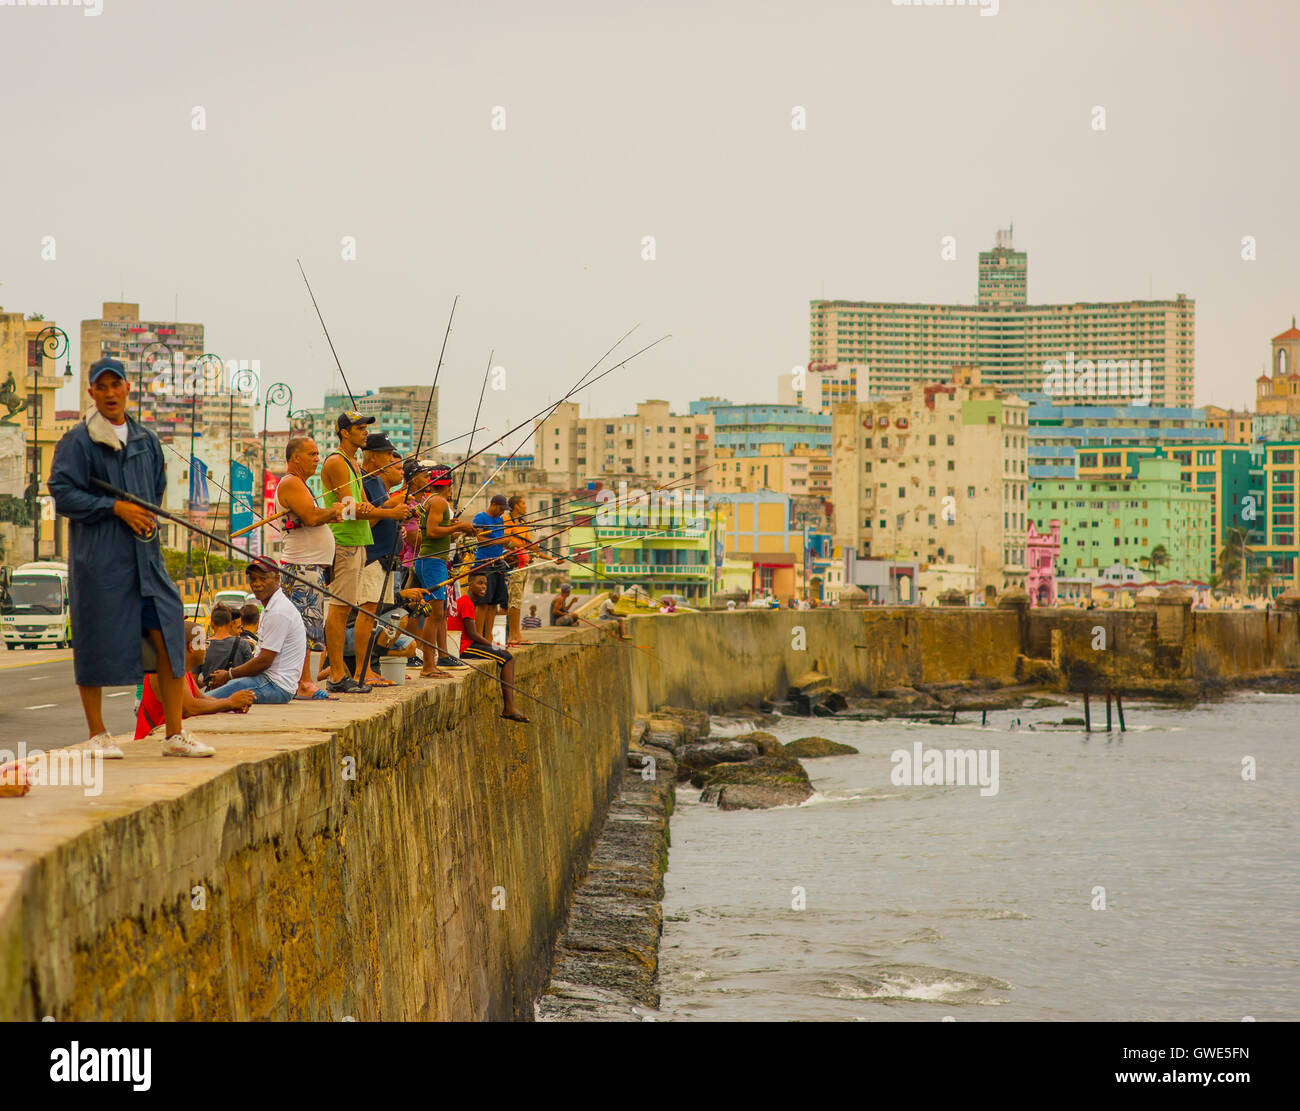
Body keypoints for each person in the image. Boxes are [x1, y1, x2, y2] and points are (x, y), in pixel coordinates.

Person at [48, 356, 203, 758]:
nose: (111, 393)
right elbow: (63, 493)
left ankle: (174, 734)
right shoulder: (78, 441)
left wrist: (146, 517)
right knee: (95, 641)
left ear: (127, 389)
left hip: (146, 560)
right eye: (102, 387)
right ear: (92, 392)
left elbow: (155, 491)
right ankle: (98, 734)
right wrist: (115, 509)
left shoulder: (147, 440)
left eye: (117, 385)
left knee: (170, 635)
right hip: (101, 562)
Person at [274, 436, 343, 699]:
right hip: (302, 567)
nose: (317, 458)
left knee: (309, 626)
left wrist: (331, 512)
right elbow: (311, 517)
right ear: (295, 458)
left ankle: (304, 680)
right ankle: (303, 682)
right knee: (303, 626)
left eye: (317, 453)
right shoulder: (291, 482)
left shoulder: (299, 484)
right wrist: (332, 510)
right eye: (312, 454)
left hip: (310, 567)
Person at [320, 410, 381, 694]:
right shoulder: (337, 462)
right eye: (359, 427)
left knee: (346, 609)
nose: (365, 432)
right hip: (344, 540)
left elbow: (364, 506)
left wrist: (384, 510)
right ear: (344, 432)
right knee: (339, 609)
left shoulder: (354, 464)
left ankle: (338, 673)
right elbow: (348, 509)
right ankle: (336, 675)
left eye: (365, 428)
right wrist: (384, 509)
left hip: (358, 540)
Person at [353, 432, 417, 687]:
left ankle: (369, 668)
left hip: (386, 559)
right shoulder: (364, 482)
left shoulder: (377, 483)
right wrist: (393, 506)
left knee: (374, 616)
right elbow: (367, 519)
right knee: (366, 614)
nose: (392, 459)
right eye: (388, 454)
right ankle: (362, 670)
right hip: (372, 556)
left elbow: (383, 513)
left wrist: (395, 509)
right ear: (373, 456)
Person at [206, 558, 308, 705]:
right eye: (253, 579)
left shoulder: (279, 611)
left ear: (277, 579)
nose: (257, 584)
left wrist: (229, 674)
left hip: (276, 686)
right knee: (223, 689)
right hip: (269, 681)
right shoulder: (271, 606)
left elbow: (264, 661)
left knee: (212, 698)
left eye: (263, 578)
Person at [411, 461, 477, 677]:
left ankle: (431, 663)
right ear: (449, 486)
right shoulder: (439, 501)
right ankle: (428, 665)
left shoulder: (430, 499)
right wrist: (458, 526)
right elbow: (431, 530)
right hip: (433, 561)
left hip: (430, 560)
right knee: (436, 614)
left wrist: (454, 527)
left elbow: (435, 529)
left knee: (436, 614)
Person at [136, 620, 255, 738]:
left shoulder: (183, 670)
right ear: (191, 647)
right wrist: (230, 702)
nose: (207, 648)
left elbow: (202, 698)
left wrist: (232, 704)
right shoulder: (168, 668)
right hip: (153, 742)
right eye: (204, 643)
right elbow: (189, 708)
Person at [458, 570, 530, 723]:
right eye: (480, 583)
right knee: (507, 658)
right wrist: (493, 645)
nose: (484, 587)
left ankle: (510, 706)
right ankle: (509, 707)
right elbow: (472, 634)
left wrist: (495, 646)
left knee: (503, 653)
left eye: (485, 583)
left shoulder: (469, 602)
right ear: (470, 585)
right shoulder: (465, 602)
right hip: (464, 648)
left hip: (468, 644)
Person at [471, 494, 511, 640]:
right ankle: (478, 637)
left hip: (498, 564)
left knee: (494, 602)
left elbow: (502, 540)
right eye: (501, 509)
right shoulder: (480, 517)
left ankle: (488, 638)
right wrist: (499, 541)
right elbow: (479, 539)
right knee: (483, 602)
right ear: (493, 504)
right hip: (484, 563)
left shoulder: (500, 521)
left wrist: (505, 542)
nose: (502, 512)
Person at [503, 494, 534, 646]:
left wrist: (552, 559)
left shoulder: (522, 522)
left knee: (519, 600)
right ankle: (513, 635)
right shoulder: (506, 520)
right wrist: (517, 548)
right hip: (515, 565)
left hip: (525, 564)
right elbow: (506, 541)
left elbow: (530, 545)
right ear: (515, 506)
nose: (525, 506)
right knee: (513, 601)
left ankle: (517, 634)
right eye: (523, 503)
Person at [199, 604, 253, 686]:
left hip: (211, 696)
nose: (241, 631)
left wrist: (209, 683)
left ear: (212, 624)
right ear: (230, 624)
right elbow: (251, 673)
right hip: (237, 694)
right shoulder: (243, 644)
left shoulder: (202, 647)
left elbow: (193, 681)